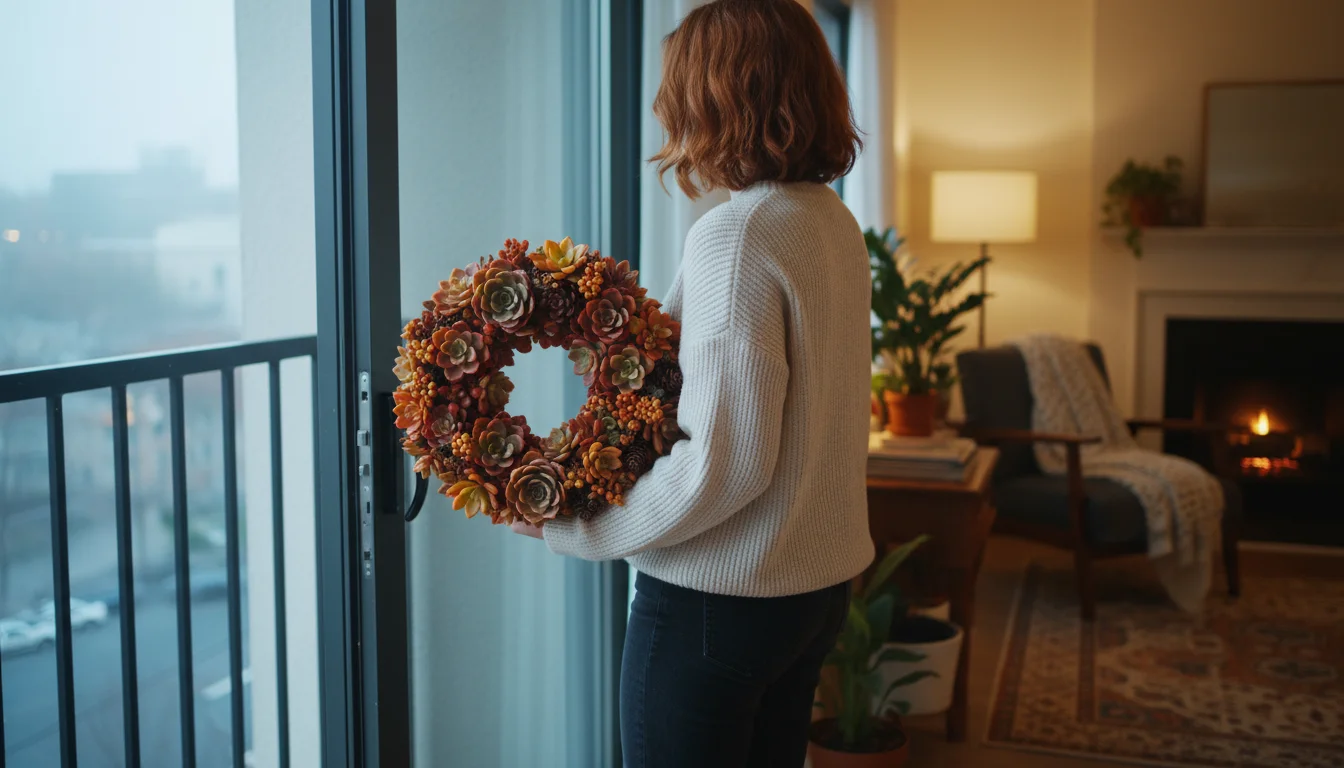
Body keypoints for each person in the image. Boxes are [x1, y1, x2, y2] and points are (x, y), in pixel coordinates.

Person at [512, 0, 874, 764]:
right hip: (811, 592)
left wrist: (575, 527)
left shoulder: (739, 236)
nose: (664, 110)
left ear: (713, 98)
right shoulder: (830, 222)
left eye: (677, 90)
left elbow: (726, 462)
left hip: (721, 604)